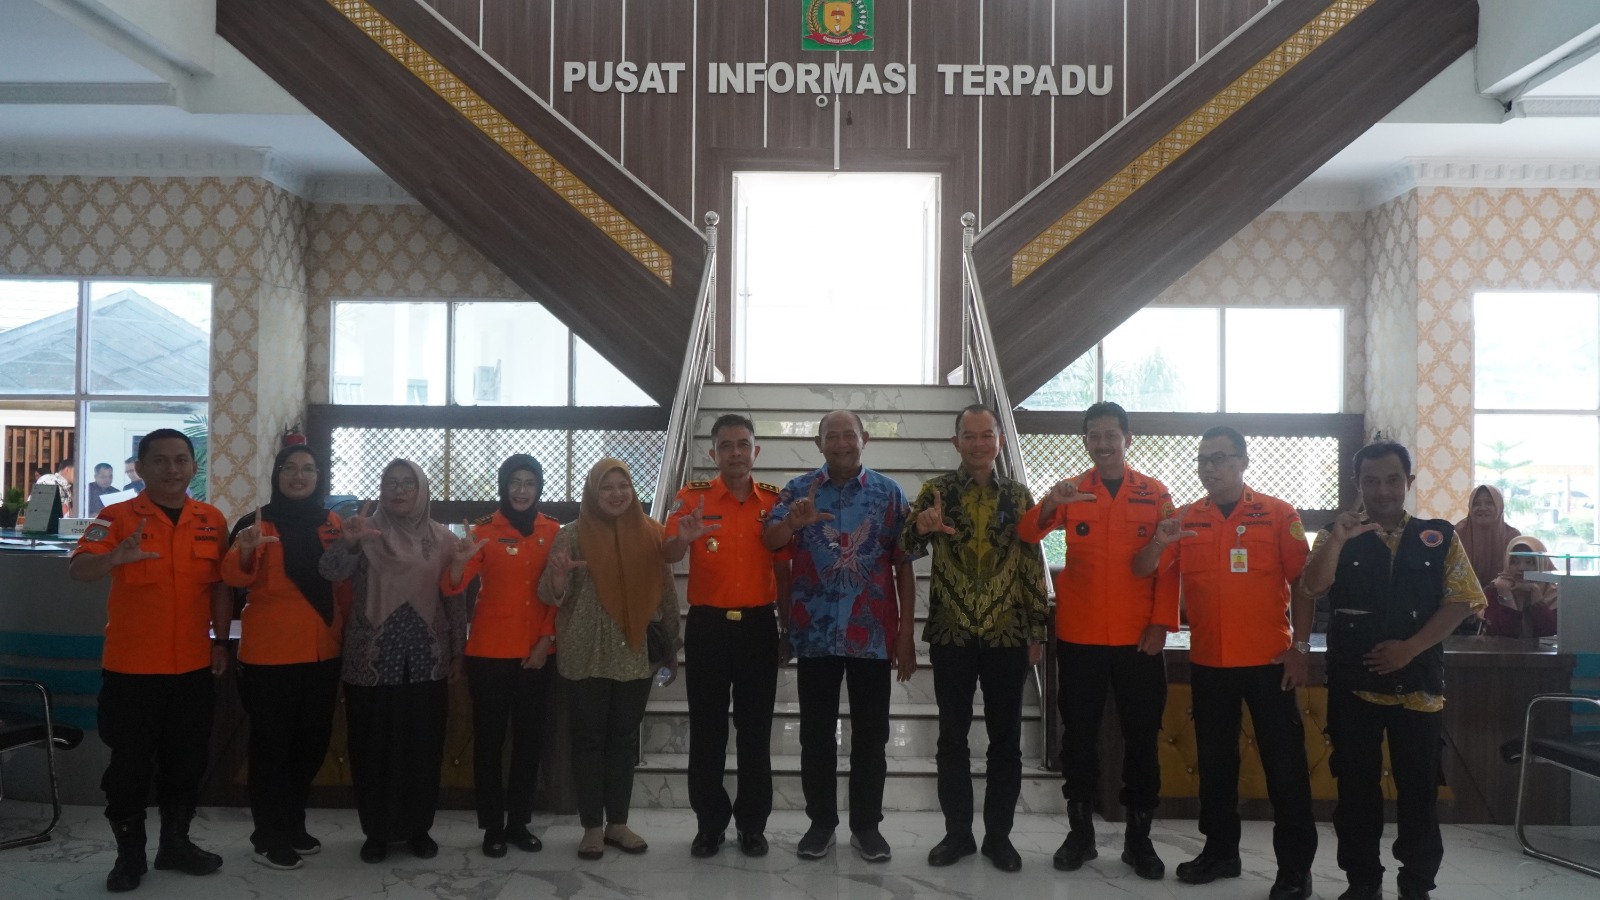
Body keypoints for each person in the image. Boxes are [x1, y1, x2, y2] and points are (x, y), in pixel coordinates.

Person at [1132, 427, 1316, 900]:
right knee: (1215, 767)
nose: (1209, 468)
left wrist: (1300, 648)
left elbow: (1306, 584)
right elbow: (1144, 569)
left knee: (1286, 769)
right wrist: (1159, 542)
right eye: (1202, 460)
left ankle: (1295, 870)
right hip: (1210, 662)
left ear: (1243, 461)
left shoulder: (1278, 514)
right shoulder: (1185, 518)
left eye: (1219, 458)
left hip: (1269, 662)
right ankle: (1220, 853)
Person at [1300, 441, 1485, 900]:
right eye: (1371, 481)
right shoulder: (1336, 534)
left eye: (1392, 480)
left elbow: (1462, 600)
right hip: (1353, 685)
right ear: (1357, 483)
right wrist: (1338, 539)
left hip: (1418, 686)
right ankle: (1363, 882)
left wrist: (1411, 648)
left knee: (1419, 792)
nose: (1382, 490)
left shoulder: (1438, 536)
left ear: (1409, 482)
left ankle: (1416, 884)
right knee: (1356, 791)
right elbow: (1312, 587)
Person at [1017, 400, 1176, 880]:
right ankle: (1080, 834)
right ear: (1085, 441)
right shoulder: (1072, 491)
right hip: (1081, 635)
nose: (1103, 444)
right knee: (1079, 737)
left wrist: (1161, 623)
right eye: (1094, 436)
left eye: (1111, 435)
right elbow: (1027, 532)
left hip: (1138, 638)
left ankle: (1138, 839)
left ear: (1128, 439)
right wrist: (1051, 503)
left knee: (1142, 737)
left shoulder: (1155, 492)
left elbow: (1170, 564)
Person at [68, 428, 231, 892]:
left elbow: (220, 587)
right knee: (129, 769)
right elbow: (78, 568)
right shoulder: (116, 516)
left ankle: (175, 845)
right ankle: (130, 856)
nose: (172, 469)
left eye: (181, 459)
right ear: (140, 467)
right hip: (132, 670)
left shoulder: (211, 519)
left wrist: (221, 642)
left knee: (187, 763)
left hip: (193, 667)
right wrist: (114, 558)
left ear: (193, 466)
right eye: (160, 460)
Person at [899, 404, 1047, 873]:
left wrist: (1037, 630)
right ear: (956, 442)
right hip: (952, 633)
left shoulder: (1019, 497)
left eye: (987, 435)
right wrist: (919, 528)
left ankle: (999, 838)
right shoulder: (936, 491)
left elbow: (1031, 565)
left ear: (1000, 441)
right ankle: (957, 835)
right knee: (951, 738)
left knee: (1006, 741)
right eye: (970, 435)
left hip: (1007, 634)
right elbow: (903, 548)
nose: (979, 443)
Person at [763, 409, 915, 863]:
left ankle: (867, 827)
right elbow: (771, 542)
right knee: (815, 735)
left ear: (864, 438)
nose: (842, 443)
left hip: (871, 634)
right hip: (815, 633)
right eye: (833, 436)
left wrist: (906, 633)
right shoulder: (798, 491)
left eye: (850, 435)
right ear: (819, 443)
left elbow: (904, 565)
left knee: (871, 736)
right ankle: (821, 824)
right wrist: (793, 524)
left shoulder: (889, 494)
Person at [319, 459, 465, 864]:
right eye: (391, 483)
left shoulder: (442, 539)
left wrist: (458, 652)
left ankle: (418, 829)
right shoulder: (364, 531)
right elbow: (329, 571)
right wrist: (349, 544)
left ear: (421, 491)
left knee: (423, 747)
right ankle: (376, 832)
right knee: (372, 748)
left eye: (407, 483)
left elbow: (454, 599)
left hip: (426, 659)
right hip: (371, 658)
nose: (398, 490)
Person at [538, 458, 680, 860]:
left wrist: (672, 644)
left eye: (624, 485)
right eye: (607, 487)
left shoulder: (652, 533)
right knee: (588, 740)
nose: (617, 494)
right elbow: (548, 594)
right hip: (585, 652)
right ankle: (591, 827)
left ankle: (617, 823)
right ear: (592, 492)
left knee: (623, 740)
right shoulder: (570, 535)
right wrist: (559, 579)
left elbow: (666, 590)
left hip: (634, 654)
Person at [663, 414, 789, 859]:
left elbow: (783, 566)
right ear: (712, 452)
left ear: (756, 451)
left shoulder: (774, 501)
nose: (735, 453)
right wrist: (684, 537)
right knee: (708, 730)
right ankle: (709, 825)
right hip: (708, 627)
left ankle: (752, 826)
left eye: (743, 444)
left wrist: (787, 625)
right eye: (726, 446)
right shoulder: (691, 497)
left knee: (755, 732)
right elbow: (667, 552)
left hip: (758, 627)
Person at [222, 445, 349, 870]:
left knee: (311, 744)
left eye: (308, 469)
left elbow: (342, 583)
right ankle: (267, 835)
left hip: (323, 649)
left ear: (319, 476)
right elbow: (231, 577)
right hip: (271, 654)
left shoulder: (332, 522)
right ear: (277, 475)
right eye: (290, 468)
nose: (299, 475)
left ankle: (293, 823)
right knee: (271, 748)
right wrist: (245, 550)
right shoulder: (256, 522)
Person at [442, 454, 560, 858]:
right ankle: (493, 826)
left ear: (539, 487)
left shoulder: (553, 531)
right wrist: (457, 564)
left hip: (536, 654)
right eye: (515, 482)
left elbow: (559, 593)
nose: (522, 490)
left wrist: (545, 641)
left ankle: (519, 823)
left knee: (529, 742)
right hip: (489, 654)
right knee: (490, 742)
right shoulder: (483, 531)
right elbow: (454, 586)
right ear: (504, 486)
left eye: (530, 482)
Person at [1483, 535, 1558, 639]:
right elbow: (1502, 633)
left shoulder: (1553, 592)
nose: (1521, 568)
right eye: (1514, 561)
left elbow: (1550, 631)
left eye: (1529, 562)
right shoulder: (1496, 589)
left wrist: (1537, 600)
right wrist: (1506, 595)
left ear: (1541, 563)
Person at [1455, 484, 1518, 595]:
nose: (1482, 508)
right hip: (1462, 598)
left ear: (1499, 506)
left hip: (1502, 598)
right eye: (1476, 504)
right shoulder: (1457, 534)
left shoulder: (1512, 537)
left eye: (1489, 503)